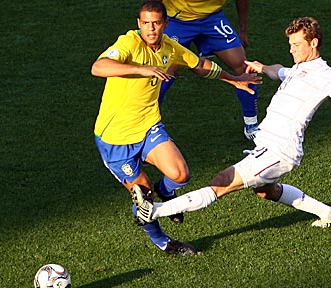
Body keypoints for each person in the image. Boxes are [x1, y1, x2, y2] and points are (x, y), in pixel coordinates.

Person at [132, 17, 331, 233]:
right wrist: (262, 67)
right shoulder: (300, 69)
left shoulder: (324, 74)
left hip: (279, 151)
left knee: (221, 182)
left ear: (313, 43)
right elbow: (279, 72)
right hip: (268, 145)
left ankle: (154, 211)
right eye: (290, 45)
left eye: (297, 45)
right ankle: (330, 214)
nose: (292, 50)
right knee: (266, 191)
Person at [91, 1, 260, 255]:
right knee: (142, 197)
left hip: (148, 125)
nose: (151, 29)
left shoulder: (171, 47)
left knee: (180, 175)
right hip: (115, 139)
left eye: (157, 23)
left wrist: (233, 80)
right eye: (146, 23)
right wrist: (140, 69)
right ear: (139, 24)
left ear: (165, 24)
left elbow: (200, 65)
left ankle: (164, 191)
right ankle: (162, 241)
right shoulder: (127, 43)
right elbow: (98, 67)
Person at [152, 0, 260, 140]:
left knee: (243, 66)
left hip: (212, 19)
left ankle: (251, 126)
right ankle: (150, 127)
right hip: (178, 20)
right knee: (165, 72)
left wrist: (243, 29)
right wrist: (154, 26)